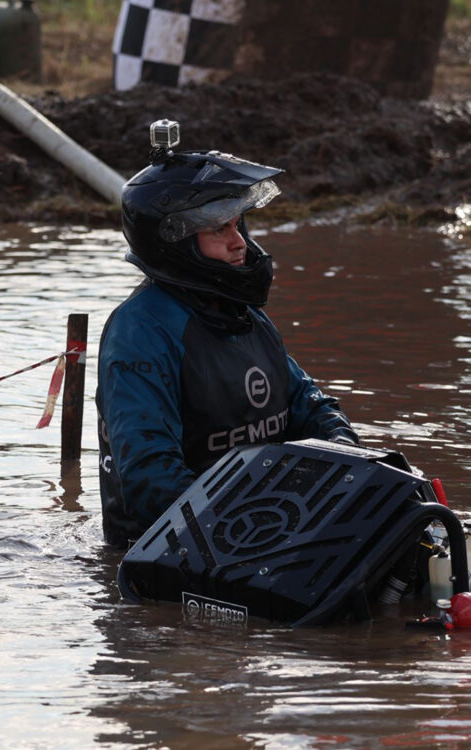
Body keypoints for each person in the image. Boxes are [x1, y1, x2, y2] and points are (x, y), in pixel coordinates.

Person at [97, 122, 358, 549]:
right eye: (219, 229)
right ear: (176, 243)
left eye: (239, 225)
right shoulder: (140, 331)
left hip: (260, 529)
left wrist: (346, 456)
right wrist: (248, 524)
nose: (240, 244)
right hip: (173, 556)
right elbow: (149, 477)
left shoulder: (243, 314)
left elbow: (308, 404)